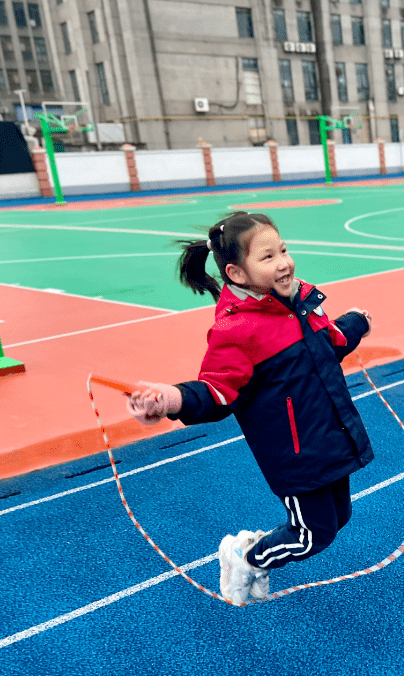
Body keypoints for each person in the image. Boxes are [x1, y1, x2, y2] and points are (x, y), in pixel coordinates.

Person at [126, 212, 374, 604]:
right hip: (295, 454)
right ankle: (246, 558)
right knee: (315, 534)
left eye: (284, 250)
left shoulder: (303, 301)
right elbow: (217, 390)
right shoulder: (237, 330)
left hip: (330, 434)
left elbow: (331, 343)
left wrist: (356, 323)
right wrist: (173, 399)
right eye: (268, 257)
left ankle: (255, 549)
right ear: (237, 274)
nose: (284, 262)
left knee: (338, 519)